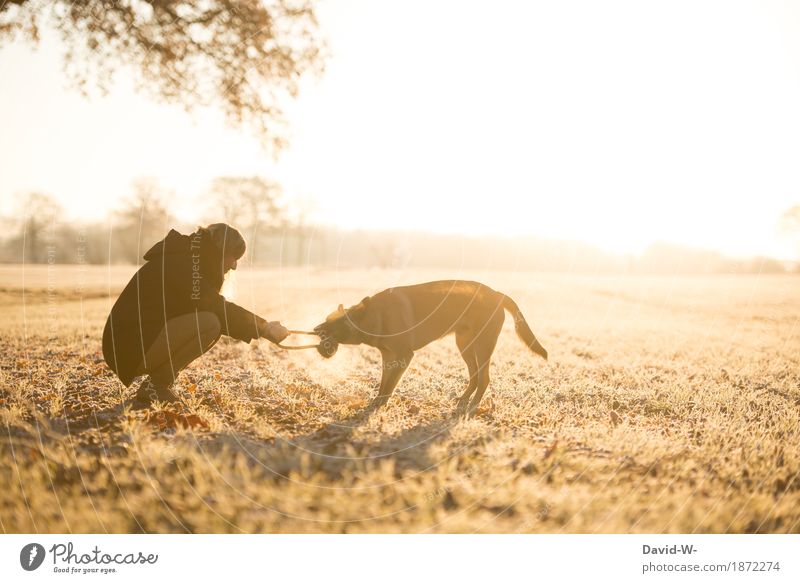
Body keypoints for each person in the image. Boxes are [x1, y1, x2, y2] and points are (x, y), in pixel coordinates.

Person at [102, 223, 289, 406]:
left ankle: (156, 386)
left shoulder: (186, 259)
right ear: (219, 251)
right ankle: (156, 385)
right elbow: (216, 308)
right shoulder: (181, 263)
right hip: (127, 346)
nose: (234, 266)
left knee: (211, 322)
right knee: (210, 323)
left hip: (133, 342)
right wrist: (264, 328)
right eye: (234, 257)